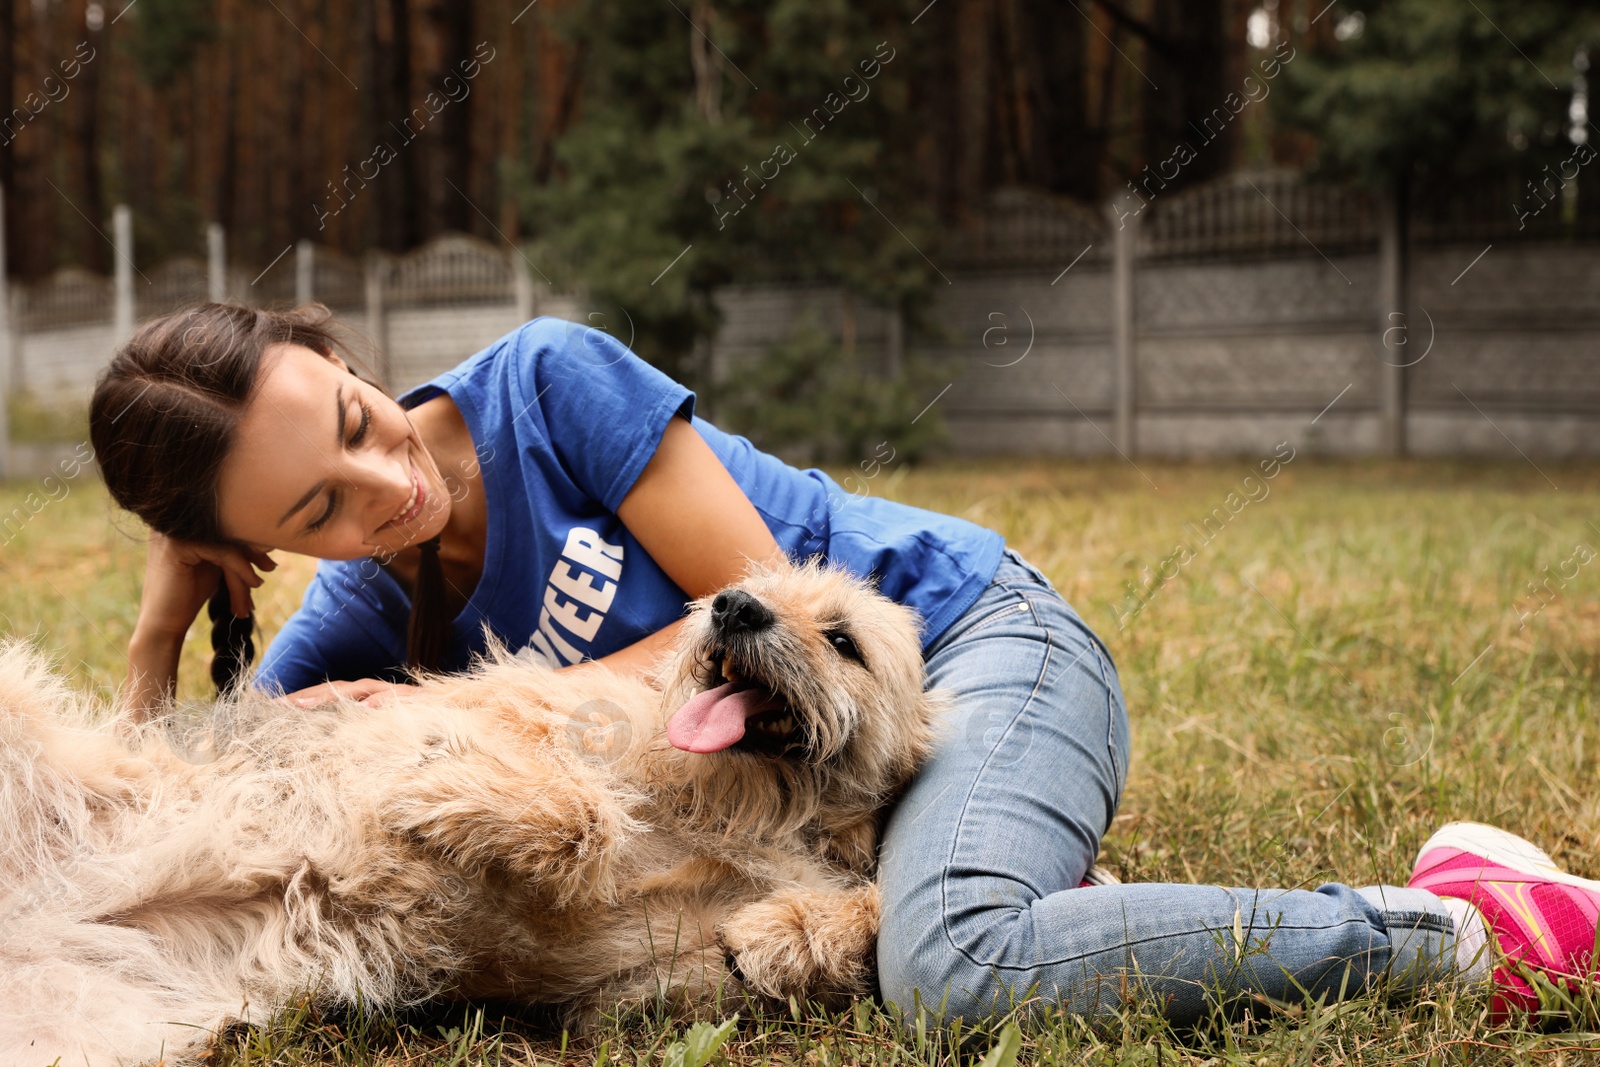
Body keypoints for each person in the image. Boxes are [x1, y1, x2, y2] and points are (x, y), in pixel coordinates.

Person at [90, 302, 1600, 1029]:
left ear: (347, 356)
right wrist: (169, 630)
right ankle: (1037, 886)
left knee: (947, 966)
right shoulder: (382, 597)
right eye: (320, 511)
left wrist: (455, 712)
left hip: (954, 648)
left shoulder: (548, 384)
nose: (387, 489)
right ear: (273, 545)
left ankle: (1464, 925)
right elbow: (202, 797)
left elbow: (758, 612)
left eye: (359, 420)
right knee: (933, 926)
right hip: (832, 783)